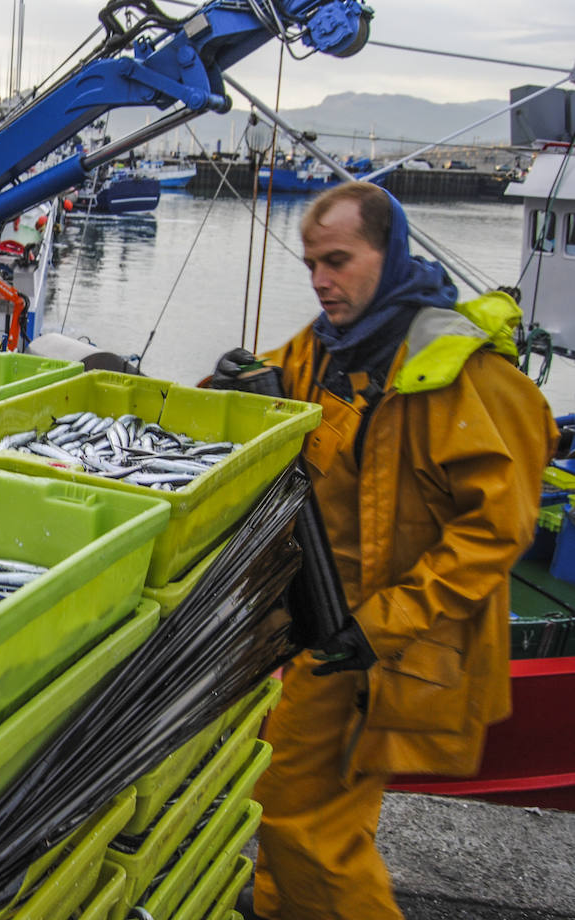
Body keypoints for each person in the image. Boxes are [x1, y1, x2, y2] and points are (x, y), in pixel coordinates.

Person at [231, 183, 558, 919]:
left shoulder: (467, 375)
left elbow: (495, 534)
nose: (320, 279)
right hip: (325, 625)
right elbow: (257, 408)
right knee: (319, 812)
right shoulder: (324, 347)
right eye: (313, 263)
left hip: (389, 646)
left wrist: (375, 628)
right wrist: (232, 387)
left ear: (391, 253)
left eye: (338, 261)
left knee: (296, 814)